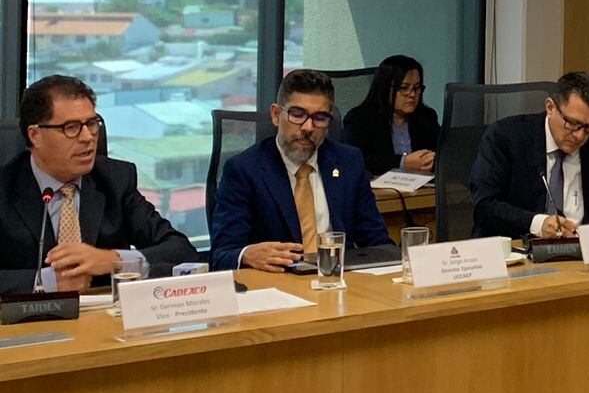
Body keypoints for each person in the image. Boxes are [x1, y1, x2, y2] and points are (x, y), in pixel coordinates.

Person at [0, 75, 197, 294]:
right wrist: (47, 282)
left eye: (92, 124)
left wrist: (114, 260)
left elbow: (181, 251)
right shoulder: (5, 188)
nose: (88, 137)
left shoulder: (115, 180)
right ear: (35, 135)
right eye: (71, 127)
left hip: (107, 312)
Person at [209, 68, 392, 272]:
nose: (308, 127)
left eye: (320, 118)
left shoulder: (348, 162)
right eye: (297, 115)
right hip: (279, 282)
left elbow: (376, 240)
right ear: (276, 115)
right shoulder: (244, 169)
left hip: (338, 280)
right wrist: (247, 255)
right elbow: (221, 255)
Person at [470, 71, 589, 240]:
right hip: (516, 246)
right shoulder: (506, 137)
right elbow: (484, 206)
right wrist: (538, 224)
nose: (580, 135)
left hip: (580, 249)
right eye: (573, 123)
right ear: (550, 108)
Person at [340, 55, 439, 178]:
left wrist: (432, 161)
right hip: (378, 188)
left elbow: (445, 154)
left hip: (423, 187)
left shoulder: (427, 117)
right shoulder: (360, 119)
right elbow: (354, 160)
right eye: (404, 88)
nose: (412, 94)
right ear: (385, 88)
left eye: (417, 88)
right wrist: (402, 163)